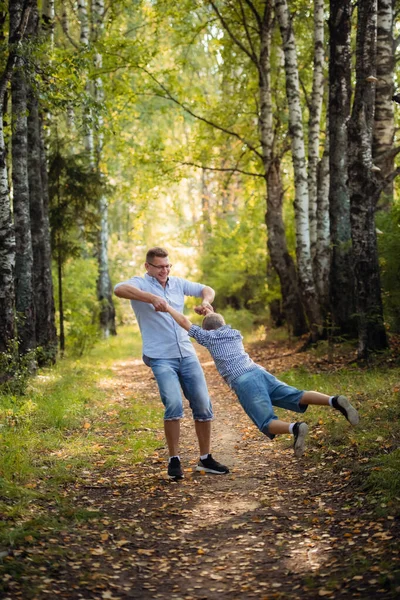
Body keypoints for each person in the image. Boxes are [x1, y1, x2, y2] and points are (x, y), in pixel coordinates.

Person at [164, 304, 360, 457]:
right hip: (259, 372)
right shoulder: (235, 333)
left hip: (244, 381)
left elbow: (184, 321)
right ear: (223, 324)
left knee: (266, 422)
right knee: (297, 395)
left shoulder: (208, 338)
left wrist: (167, 307)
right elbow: (216, 323)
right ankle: (333, 400)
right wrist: (210, 314)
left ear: (207, 330)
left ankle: (296, 428)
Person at [114, 247, 229, 480]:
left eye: (167, 266)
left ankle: (205, 459)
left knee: (203, 405)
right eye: (159, 266)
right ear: (148, 267)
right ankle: (174, 460)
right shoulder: (140, 283)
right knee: (174, 404)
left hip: (187, 353)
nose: (164, 270)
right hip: (160, 356)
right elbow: (118, 289)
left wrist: (206, 302)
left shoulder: (177, 283)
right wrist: (151, 298)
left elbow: (207, 289)